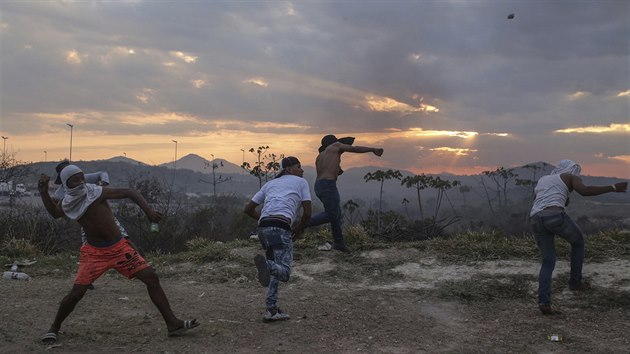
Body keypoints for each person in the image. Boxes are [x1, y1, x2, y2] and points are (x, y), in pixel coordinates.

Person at [37, 165, 198, 344]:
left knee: (151, 278)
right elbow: (55, 213)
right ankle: (54, 328)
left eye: (82, 177)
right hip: (94, 254)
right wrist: (43, 192)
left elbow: (129, 192)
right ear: (67, 184)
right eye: (76, 180)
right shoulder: (68, 202)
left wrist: (149, 212)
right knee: (76, 294)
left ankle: (172, 324)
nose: (81, 181)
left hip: (119, 249)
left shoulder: (96, 193)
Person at [529, 159, 627, 315]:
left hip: (536, 219)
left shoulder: (544, 179)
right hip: (555, 216)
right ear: (571, 169)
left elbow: (538, 200)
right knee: (578, 242)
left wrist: (563, 197)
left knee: (548, 261)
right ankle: (575, 283)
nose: (577, 175)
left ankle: (544, 302)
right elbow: (585, 190)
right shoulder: (570, 176)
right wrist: (613, 187)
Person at [244, 156, 311, 322]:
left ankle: (272, 309)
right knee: (285, 272)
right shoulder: (301, 182)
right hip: (281, 228)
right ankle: (266, 265)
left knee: (275, 269)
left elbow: (248, 209)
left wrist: (265, 220)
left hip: (263, 227)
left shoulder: (270, 184)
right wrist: (299, 229)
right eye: (298, 166)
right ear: (288, 168)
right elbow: (308, 212)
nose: (302, 170)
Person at [308, 134, 383, 253]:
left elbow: (331, 170)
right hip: (328, 185)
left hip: (319, 186)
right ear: (334, 142)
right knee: (332, 215)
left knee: (336, 213)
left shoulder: (320, 156)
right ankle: (302, 224)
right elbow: (355, 148)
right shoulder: (336, 146)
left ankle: (339, 243)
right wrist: (372, 149)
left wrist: (338, 169)